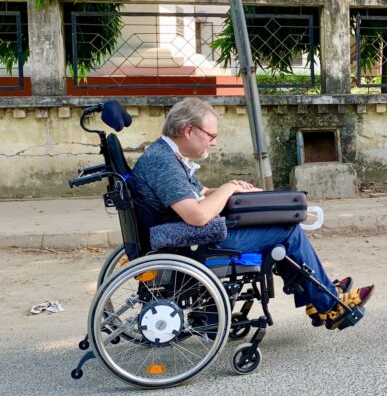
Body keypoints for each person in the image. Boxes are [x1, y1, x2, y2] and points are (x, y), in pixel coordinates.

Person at [130, 97, 373, 330]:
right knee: (286, 230)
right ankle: (329, 306)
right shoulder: (163, 162)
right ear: (188, 130)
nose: (213, 143)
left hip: (190, 235)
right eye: (211, 136)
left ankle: (318, 295)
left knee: (280, 224)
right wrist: (227, 189)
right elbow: (197, 215)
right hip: (190, 242)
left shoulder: (168, 156)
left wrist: (236, 189)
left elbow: (201, 193)